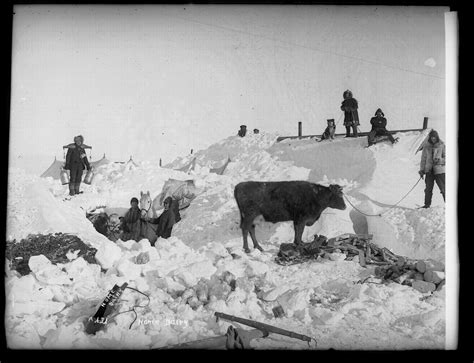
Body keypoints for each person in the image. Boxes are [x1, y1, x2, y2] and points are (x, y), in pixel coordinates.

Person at [418, 130, 445, 208]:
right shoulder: (426, 146)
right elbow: (423, 159)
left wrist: (440, 160)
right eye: (432, 137)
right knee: (428, 189)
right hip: (429, 171)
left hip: (439, 171)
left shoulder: (442, 145)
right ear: (429, 137)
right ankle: (427, 205)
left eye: (435, 137)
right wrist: (422, 170)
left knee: (443, 189)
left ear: (437, 137)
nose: (433, 139)